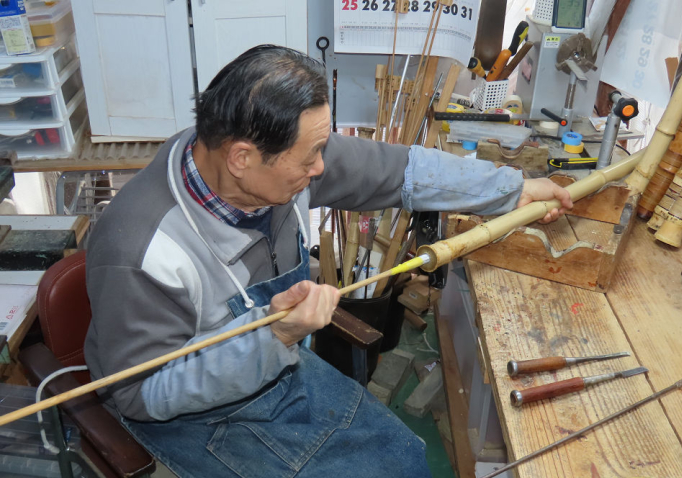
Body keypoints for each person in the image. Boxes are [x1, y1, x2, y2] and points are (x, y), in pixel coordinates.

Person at [84, 45, 572, 477]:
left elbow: (404, 170)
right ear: (241, 158)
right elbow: (142, 394)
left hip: (281, 364)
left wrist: (510, 190)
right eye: (309, 157)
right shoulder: (140, 249)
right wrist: (272, 336)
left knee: (404, 458)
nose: (321, 167)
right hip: (195, 415)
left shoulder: (271, 158)